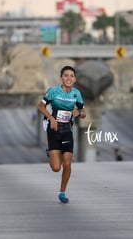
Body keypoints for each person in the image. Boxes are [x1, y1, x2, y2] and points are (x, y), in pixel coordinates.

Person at [37, 66, 86, 203]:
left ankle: (62, 192)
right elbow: (40, 106)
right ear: (61, 78)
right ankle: (51, 153)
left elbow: (83, 112)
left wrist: (78, 112)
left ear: (74, 79)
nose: (69, 78)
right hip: (53, 130)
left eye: (71, 76)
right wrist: (51, 118)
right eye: (66, 75)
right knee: (56, 168)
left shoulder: (76, 94)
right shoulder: (53, 91)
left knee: (67, 163)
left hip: (67, 131)